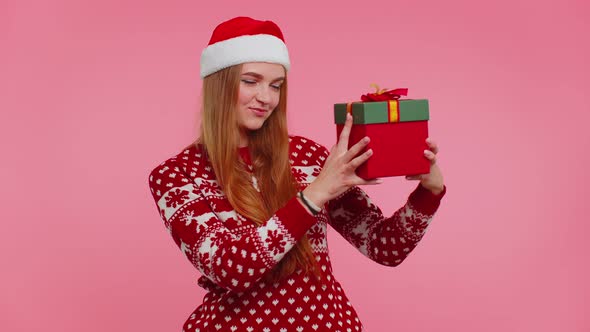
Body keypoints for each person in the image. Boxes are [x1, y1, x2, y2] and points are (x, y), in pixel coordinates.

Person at [148, 16, 446, 332]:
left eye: (276, 85)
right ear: (218, 83)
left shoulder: (308, 156)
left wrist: (428, 193)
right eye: (251, 81)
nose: (266, 98)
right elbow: (229, 268)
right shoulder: (177, 177)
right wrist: (314, 196)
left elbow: (385, 246)